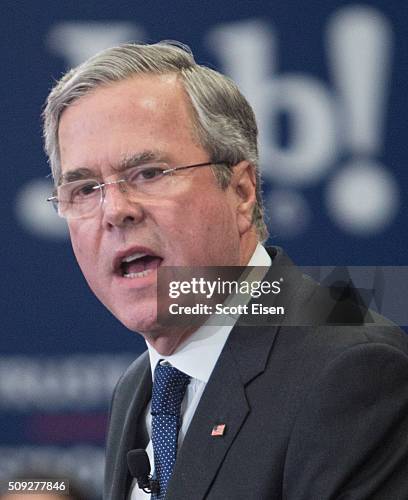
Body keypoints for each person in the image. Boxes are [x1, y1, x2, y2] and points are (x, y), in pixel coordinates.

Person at [42, 41, 408, 500]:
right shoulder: (139, 389)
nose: (114, 210)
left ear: (241, 191)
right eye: (85, 188)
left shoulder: (351, 368)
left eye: (149, 173)